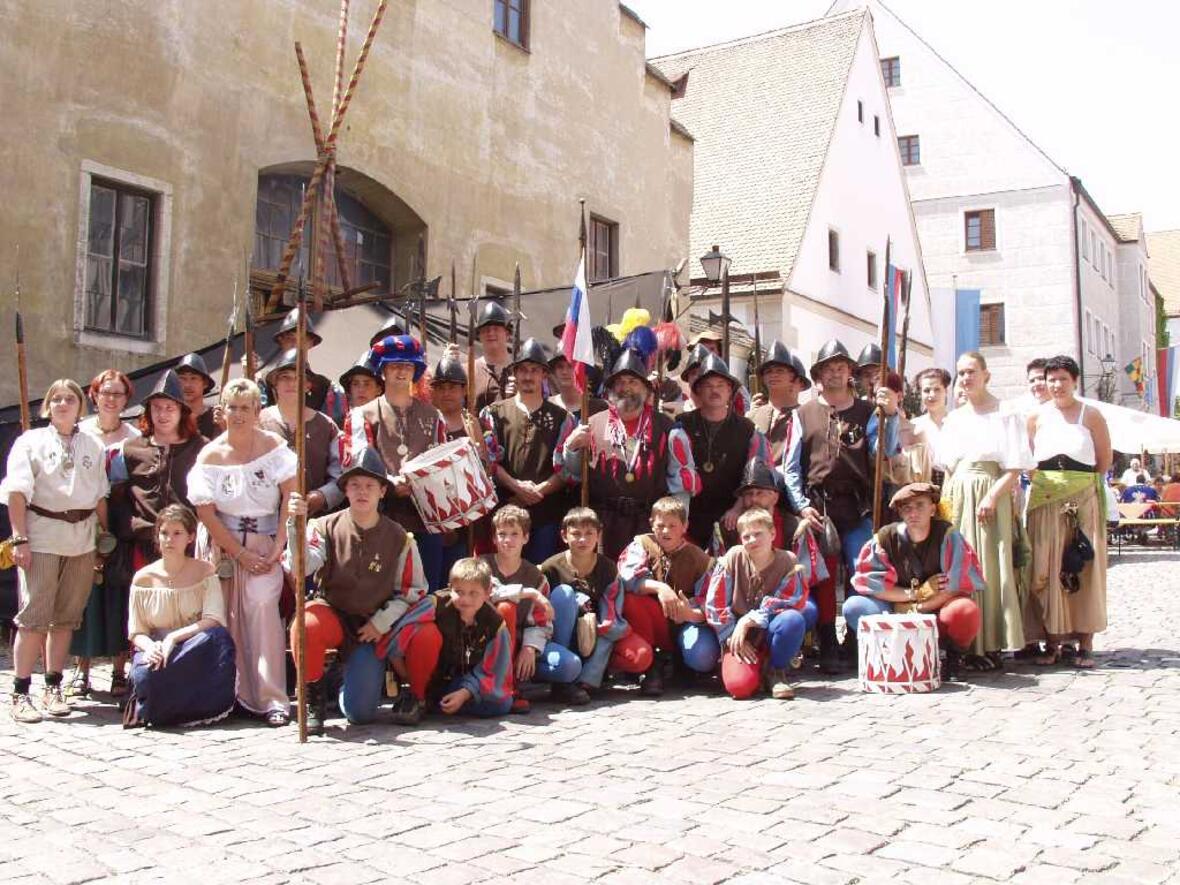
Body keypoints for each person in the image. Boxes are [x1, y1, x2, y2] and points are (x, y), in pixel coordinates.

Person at [284, 447, 428, 733]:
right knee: (306, 625)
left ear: (382, 492)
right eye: (355, 485)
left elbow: (413, 592)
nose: (362, 492)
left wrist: (381, 622)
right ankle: (312, 695)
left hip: (370, 626)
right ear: (346, 490)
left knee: (359, 714)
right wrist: (294, 526)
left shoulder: (400, 539)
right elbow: (302, 567)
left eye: (370, 486)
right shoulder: (323, 526)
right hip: (332, 613)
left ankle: (341, 680)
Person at [779, 339, 900, 671]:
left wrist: (890, 415)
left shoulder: (868, 412)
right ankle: (828, 642)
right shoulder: (803, 414)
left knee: (863, 574)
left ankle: (858, 639)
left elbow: (884, 454)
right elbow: (790, 468)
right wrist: (802, 506)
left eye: (841, 367)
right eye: (828, 368)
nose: (835, 373)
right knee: (823, 579)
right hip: (819, 506)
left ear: (850, 373)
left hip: (858, 505)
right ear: (818, 374)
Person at [188, 378, 297, 726]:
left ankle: (271, 698)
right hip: (224, 548)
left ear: (257, 411)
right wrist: (237, 553)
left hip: (266, 544)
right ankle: (227, 694)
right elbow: (205, 512)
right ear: (222, 411)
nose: (238, 415)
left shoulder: (275, 447)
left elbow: (290, 500)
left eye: (245, 408)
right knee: (225, 618)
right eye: (232, 408)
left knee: (263, 611)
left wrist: (280, 543)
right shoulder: (210, 455)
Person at [3, 379, 110, 723]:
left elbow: (99, 497)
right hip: (43, 536)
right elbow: (17, 492)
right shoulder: (30, 442)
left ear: (81, 406)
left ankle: (53, 686)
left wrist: (102, 539)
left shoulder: (93, 445)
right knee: (34, 617)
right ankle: (20, 691)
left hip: (81, 539)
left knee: (65, 618)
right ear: (47, 406)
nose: (63, 403)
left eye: (70, 398)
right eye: (57, 399)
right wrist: (19, 538)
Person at [935, 352, 1033, 671]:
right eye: (961, 373)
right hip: (960, 493)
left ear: (986, 375)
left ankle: (990, 642)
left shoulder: (1006, 414)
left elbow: (1015, 466)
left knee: (991, 567)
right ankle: (963, 644)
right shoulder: (955, 419)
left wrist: (992, 496)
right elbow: (949, 468)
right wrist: (945, 506)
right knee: (960, 566)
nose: (966, 378)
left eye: (972, 372)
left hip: (991, 493)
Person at [561, 348, 700, 559]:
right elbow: (573, 474)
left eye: (633, 382)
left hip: (649, 525)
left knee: (642, 585)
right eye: (620, 383)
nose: (626, 388)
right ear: (610, 390)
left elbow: (681, 485)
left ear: (645, 389)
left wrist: (675, 526)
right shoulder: (592, 423)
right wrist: (571, 449)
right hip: (601, 527)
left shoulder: (667, 429)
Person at [1025, 355, 1112, 669]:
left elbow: (1103, 462)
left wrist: (1076, 488)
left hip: (1082, 499)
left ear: (1075, 381)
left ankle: (1085, 642)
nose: (1056, 384)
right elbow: (1029, 460)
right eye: (1051, 379)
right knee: (1044, 569)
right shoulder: (1035, 417)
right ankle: (1052, 640)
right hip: (1045, 499)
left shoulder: (1092, 415)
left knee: (1082, 566)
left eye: (1063, 378)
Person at [845, 483, 985, 677]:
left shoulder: (948, 536)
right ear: (901, 514)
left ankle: (953, 656)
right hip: (894, 607)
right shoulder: (885, 538)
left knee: (964, 610)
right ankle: (887, 654)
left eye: (920, 505)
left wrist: (919, 609)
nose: (913, 512)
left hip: (937, 608)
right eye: (907, 508)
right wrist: (917, 594)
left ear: (933, 508)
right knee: (854, 606)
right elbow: (872, 585)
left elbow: (953, 587)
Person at [342, 334, 447, 589]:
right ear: (383, 371)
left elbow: (443, 463)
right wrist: (389, 483)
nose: (401, 371)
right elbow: (354, 464)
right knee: (379, 591)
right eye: (395, 365)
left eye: (408, 366)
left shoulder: (434, 416)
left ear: (416, 371)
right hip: (378, 519)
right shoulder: (361, 415)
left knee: (425, 590)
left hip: (426, 521)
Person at [124, 505, 236, 728]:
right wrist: (151, 647)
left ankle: (198, 707)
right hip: (156, 647)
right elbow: (137, 631)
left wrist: (173, 638)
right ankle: (156, 704)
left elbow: (213, 618)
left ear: (190, 537)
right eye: (164, 533)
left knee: (218, 639)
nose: (169, 540)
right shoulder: (143, 578)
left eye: (177, 534)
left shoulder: (204, 571)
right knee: (146, 677)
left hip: (193, 644)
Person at [68, 369, 140, 698]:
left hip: (120, 521)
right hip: (82, 520)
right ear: (94, 395)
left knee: (118, 596)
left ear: (127, 399)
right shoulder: (78, 432)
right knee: (83, 596)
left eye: (118, 393)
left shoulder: (134, 437)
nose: (111, 399)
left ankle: (118, 670)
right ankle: (80, 671)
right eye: (105, 392)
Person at [704, 508, 816, 701]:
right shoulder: (733, 558)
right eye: (746, 536)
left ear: (772, 534)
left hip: (771, 628)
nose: (752, 540)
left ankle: (775, 670)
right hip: (739, 636)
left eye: (758, 534)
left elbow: (790, 601)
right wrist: (731, 635)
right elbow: (716, 603)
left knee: (793, 619)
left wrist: (749, 619)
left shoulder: (787, 561)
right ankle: (751, 669)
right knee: (740, 687)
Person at [481, 338, 576, 563]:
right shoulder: (493, 413)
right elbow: (489, 461)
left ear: (544, 375)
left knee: (539, 573)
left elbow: (567, 469)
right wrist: (516, 487)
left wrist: (538, 491)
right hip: (504, 513)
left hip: (545, 514)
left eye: (534, 370)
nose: (527, 376)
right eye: (522, 370)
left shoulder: (563, 418)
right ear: (515, 373)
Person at [384, 558, 514, 723]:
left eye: (473, 593)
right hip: (429, 678)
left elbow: (496, 669)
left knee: (503, 704)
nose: (465, 599)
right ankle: (420, 697)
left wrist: (466, 692)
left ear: (487, 592)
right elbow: (398, 634)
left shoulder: (494, 623)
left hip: (464, 682)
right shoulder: (435, 604)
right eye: (459, 592)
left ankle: (438, 704)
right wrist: (405, 675)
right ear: (450, 588)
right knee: (426, 633)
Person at [481, 505, 584, 709]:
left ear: (525, 538)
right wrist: (527, 593)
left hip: (522, 640)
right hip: (487, 643)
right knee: (506, 607)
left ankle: (531, 677)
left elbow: (541, 621)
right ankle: (505, 682)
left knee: (570, 665)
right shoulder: (481, 566)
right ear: (494, 538)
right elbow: (488, 594)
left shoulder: (536, 577)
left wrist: (530, 647)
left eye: (514, 534)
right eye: (502, 534)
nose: (508, 540)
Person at [541, 508, 652, 696]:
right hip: (561, 633)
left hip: (598, 631)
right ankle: (562, 679)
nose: (582, 540)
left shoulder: (608, 569)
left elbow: (611, 614)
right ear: (564, 535)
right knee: (565, 595)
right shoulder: (551, 568)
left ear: (598, 535)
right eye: (576, 534)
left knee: (640, 654)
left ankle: (592, 676)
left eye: (589, 534)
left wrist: (601, 626)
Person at [617, 497, 716, 694]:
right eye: (660, 525)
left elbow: (711, 603)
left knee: (703, 657)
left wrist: (688, 613)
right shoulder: (641, 545)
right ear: (651, 524)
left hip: (687, 621)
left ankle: (683, 660)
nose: (665, 531)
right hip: (653, 619)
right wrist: (661, 588)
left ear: (685, 526)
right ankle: (652, 665)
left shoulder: (700, 559)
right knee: (632, 600)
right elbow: (627, 578)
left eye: (673, 525)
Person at [677, 354, 769, 548]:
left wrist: (737, 508)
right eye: (708, 386)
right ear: (699, 390)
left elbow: (753, 478)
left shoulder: (747, 430)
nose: (715, 390)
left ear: (729, 391)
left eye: (720, 385)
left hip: (731, 514)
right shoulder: (682, 425)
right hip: (689, 514)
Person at [259, 350, 343, 517]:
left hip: (313, 521)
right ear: (275, 384)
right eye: (285, 377)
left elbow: (340, 475)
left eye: (298, 378)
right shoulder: (257, 422)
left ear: (307, 386)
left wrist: (321, 496)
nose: (292, 383)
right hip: (266, 521)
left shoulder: (327, 426)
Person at [272, 308, 348, 426]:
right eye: (290, 339)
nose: (296, 344)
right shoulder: (265, 385)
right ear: (281, 342)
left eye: (301, 339)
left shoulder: (326, 389)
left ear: (311, 343)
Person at [746, 342, 810, 468]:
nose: (774, 375)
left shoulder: (805, 416)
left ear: (792, 377)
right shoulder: (752, 416)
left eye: (780, 371)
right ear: (763, 378)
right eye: (769, 371)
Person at [906, 368, 951, 486]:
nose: (932, 395)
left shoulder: (957, 422)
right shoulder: (914, 426)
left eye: (937, 389)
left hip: (953, 484)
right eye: (926, 390)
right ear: (920, 393)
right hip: (923, 486)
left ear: (946, 391)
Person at [471, 301, 515, 412]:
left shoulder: (524, 371)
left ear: (508, 334)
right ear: (479, 336)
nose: (491, 333)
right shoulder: (468, 371)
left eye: (496, 329)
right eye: (485, 330)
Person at [548, 348, 608, 422]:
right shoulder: (546, 407)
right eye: (560, 367)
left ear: (580, 369)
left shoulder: (600, 408)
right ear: (554, 371)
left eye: (570, 366)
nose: (565, 372)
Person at [175, 352, 222, 439]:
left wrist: (224, 427)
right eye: (182, 379)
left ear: (205, 383)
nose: (187, 385)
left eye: (193, 378)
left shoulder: (216, 417)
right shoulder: (170, 417)